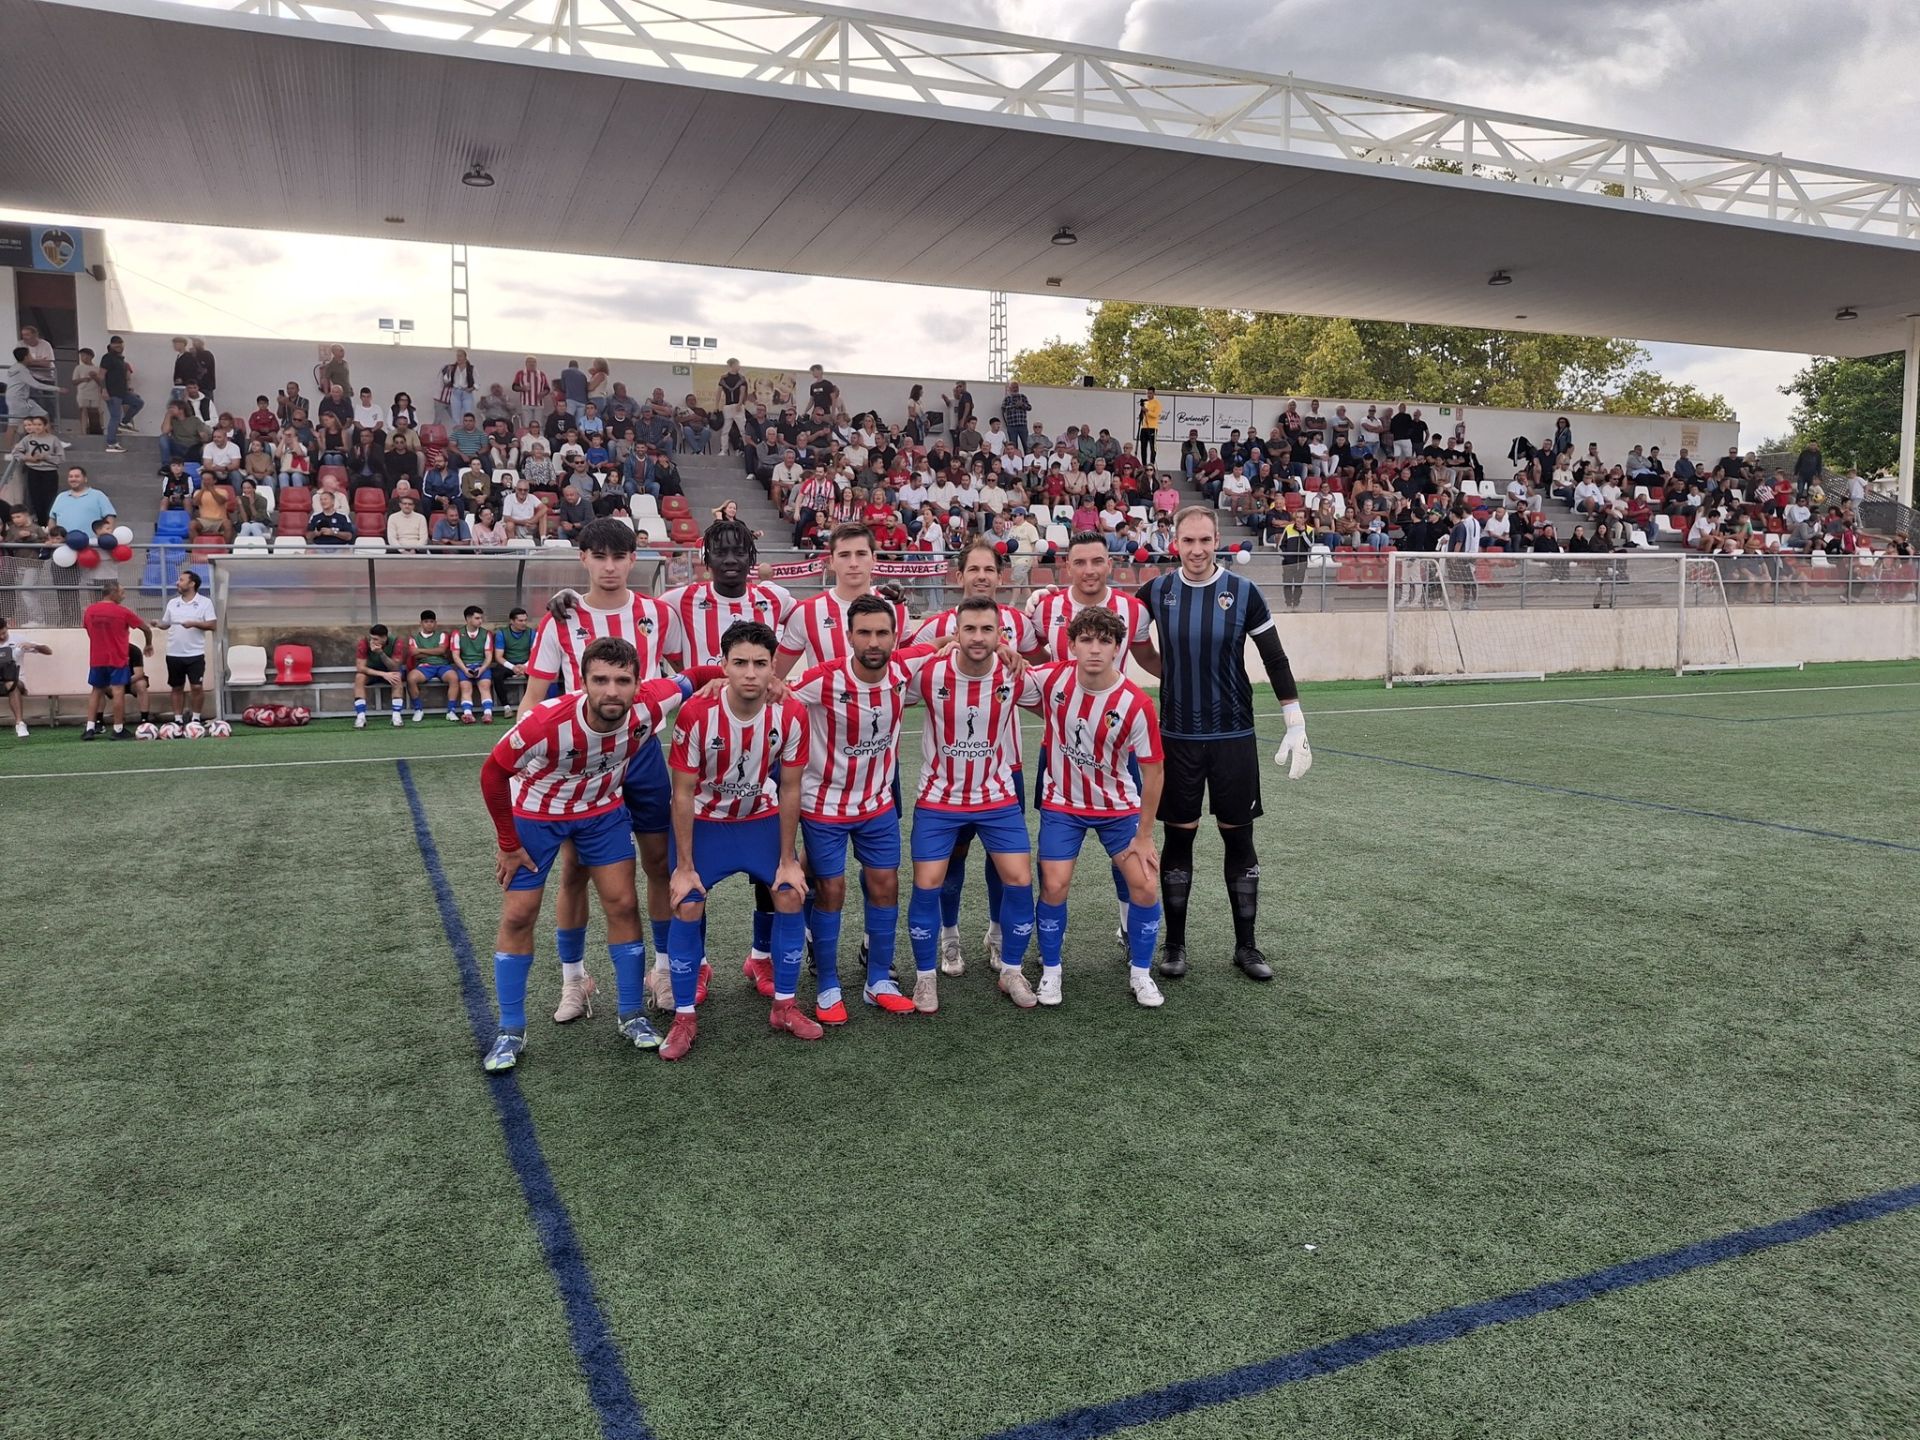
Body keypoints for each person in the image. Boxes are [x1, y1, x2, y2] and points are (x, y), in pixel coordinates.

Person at [479, 637, 706, 1073]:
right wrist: (508, 843)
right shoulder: (546, 723)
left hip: (601, 813)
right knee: (519, 914)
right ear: (582, 682)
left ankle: (631, 1014)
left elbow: (695, 677)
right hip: (537, 815)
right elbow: (492, 773)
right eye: (600, 680)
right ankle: (510, 1029)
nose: (612, 691)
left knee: (622, 902)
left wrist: (745, 681)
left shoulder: (651, 704)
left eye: (623, 680)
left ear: (639, 683)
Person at [1131, 506, 1311, 982]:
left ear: (1217, 541)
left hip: (1233, 736)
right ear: (1175, 542)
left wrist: (1294, 717)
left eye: (1204, 541)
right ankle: (1174, 946)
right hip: (1177, 738)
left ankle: (1247, 947)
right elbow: (1129, 640)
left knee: (1239, 836)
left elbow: (1274, 656)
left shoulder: (1244, 592)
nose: (1196, 550)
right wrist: (1166, 673)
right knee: (1179, 836)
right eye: (1187, 541)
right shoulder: (1155, 591)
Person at [523, 519, 684, 1024]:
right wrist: (532, 763)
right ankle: (575, 979)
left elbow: (680, 681)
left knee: (660, 864)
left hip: (644, 757)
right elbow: (533, 699)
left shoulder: (659, 613)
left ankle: (659, 971)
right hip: (582, 764)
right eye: (600, 556)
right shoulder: (562, 619)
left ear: (635, 559)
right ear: (584, 558)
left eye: (620, 557)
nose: (610, 567)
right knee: (576, 872)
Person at [661, 621, 815, 1061]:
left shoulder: (790, 713)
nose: (750, 673)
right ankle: (684, 1016)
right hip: (707, 824)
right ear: (723, 666)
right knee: (687, 900)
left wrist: (788, 858)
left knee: (789, 893)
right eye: (740, 663)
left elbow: (789, 788)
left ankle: (784, 1006)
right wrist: (685, 865)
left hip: (759, 819)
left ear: (774, 669)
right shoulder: (696, 713)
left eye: (760, 664)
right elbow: (683, 793)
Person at [784, 595, 934, 1021]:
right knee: (831, 890)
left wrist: (996, 647)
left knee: (886, 884)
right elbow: (778, 697)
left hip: (877, 804)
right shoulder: (822, 679)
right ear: (849, 636)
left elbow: (943, 642)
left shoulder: (904, 668)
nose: (873, 641)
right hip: (824, 805)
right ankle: (829, 983)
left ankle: (878, 980)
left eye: (882, 633)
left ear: (893, 637)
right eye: (864, 633)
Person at [910, 540, 1049, 974]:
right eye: (974, 569)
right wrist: (946, 644)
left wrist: (1016, 660)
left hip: (1005, 766)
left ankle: (996, 932)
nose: (982, 576)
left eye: (990, 569)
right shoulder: (933, 626)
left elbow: (1038, 670)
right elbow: (905, 668)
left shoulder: (1018, 625)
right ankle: (950, 937)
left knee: (1002, 862)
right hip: (949, 774)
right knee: (951, 861)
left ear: (1001, 576)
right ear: (959, 576)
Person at [1019, 606, 1166, 1008]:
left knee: (1146, 884)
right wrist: (1003, 652)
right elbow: (1007, 678)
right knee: (1054, 884)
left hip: (1118, 808)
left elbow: (1153, 774)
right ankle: (1051, 972)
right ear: (1071, 645)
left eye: (1105, 641)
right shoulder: (1053, 678)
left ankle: (1141, 973)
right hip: (1063, 805)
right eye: (1086, 640)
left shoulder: (1136, 704)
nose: (1095, 649)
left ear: (1118, 648)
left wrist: (1145, 834)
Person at [900, 596, 1038, 1012]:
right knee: (927, 884)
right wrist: (931, 644)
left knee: (1019, 880)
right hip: (940, 798)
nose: (978, 638)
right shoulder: (928, 673)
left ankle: (1011, 969)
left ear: (1001, 636)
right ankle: (925, 978)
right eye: (970, 629)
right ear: (956, 633)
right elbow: (880, 672)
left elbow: (1069, 689)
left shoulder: (1015, 675)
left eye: (987, 630)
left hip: (995, 795)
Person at [774, 523, 909, 677]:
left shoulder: (896, 605)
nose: (853, 563)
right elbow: (773, 678)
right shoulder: (806, 612)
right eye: (844, 555)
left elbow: (907, 668)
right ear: (831, 561)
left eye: (861, 554)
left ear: (874, 558)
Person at [81, 581, 152, 741]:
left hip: (97, 658)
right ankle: (118, 729)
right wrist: (148, 643)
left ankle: (90, 728)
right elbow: (146, 628)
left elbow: (88, 629)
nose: (123, 595)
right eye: (122, 592)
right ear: (112, 593)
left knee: (96, 691)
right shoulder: (122, 612)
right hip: (117, 657)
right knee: (118, 690)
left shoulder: (90, 611)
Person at [156, 570, 216, 725]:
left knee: (196, 686)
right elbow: (166, 624)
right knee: (177, 687)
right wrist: (158, 624)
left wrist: (194, 623)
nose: (178, 582)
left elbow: (212, 625)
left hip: (195, 653)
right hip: (174, 653)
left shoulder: (205, 602)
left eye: (181, 580)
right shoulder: (172, 603)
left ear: (192, 583)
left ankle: (196, 718)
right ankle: (178, 719)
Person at [6, 417, 69, 524]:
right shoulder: (27, 439)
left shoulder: (53, 439)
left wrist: (46, 457)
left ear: (45, 426)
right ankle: (40, 522)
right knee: (35, 498)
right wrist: (28, 458)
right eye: (34, 425)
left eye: (39, 425)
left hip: (50, 472)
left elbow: (61, 458)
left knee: (49, 498)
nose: (36, 427)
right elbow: (16, 452)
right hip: (33, 471)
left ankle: (49, 522)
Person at [0, 616, 54, 739]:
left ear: (7, 628)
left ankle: (20, 723)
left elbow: (48, 651)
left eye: (4, 633)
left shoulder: (18, 639)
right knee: (8, 683)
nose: (2, 637)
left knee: (11, 684)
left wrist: (32, 646)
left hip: (18, 680)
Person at [404, 610, 459, 721]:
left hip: (442, 665)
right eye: (426, 621)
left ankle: (451, 711)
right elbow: (414, 654)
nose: (429, 624)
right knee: (411, 678)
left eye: (431, 621)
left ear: (435, 623)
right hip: (424, 666)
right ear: (421, 623)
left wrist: (420, 650)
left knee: (454, 677)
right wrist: (436, 651)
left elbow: (442, 650)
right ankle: (418, 710)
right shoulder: (414, 638)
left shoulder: (442, 635)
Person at [353, 623, 408, 728]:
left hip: (389, 671)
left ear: (384, 638)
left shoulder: (396, 642)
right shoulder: (364, 642)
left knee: (397, 676)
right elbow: (360, 667)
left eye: (376, 639)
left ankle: (396, 716)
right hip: (371, 671)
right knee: (359, 677)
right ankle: (361, 716)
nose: (372, 641)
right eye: (371, 638)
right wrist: (383, 674)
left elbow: (395, 667)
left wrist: (381, 653)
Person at [98, 336, 144, 453]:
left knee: (138, 402)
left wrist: (127, 388)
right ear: (111, 345)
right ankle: (111, 443)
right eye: (116, 344)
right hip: (112, 393)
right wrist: (104, 389)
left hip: (122, 392)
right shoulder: (107, 358)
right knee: (114, 416)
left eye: (120, 344)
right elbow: (101, 375)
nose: (119, 346)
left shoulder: (121, 360)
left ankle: (124, 422)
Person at [452, 605, 496, 723]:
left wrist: (481, 669)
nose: (480, 621)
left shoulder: (486, 634)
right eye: (477, 618)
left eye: (481, 618)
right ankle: (468, 714)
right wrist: (465, 670)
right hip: (464, 666)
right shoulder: (457, 633)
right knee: (465, 688)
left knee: (485, 686)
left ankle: (487, 714)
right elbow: (455, 656)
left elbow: (489, 656)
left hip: (481, 666)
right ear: (468, 618)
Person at [491, 607, 536, 709]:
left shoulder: (531, 633)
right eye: (520, 620)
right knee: (497, 674)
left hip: (526, 663)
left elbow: (534, 653)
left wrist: (524, 666)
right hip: (509, 664)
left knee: (535, 674)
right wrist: (513, 667)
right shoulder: (501, 634)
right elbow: (498, 657)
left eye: (525, 620)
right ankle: (506, 707)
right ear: (512, 621)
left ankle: (531, 705)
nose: (524, 623)